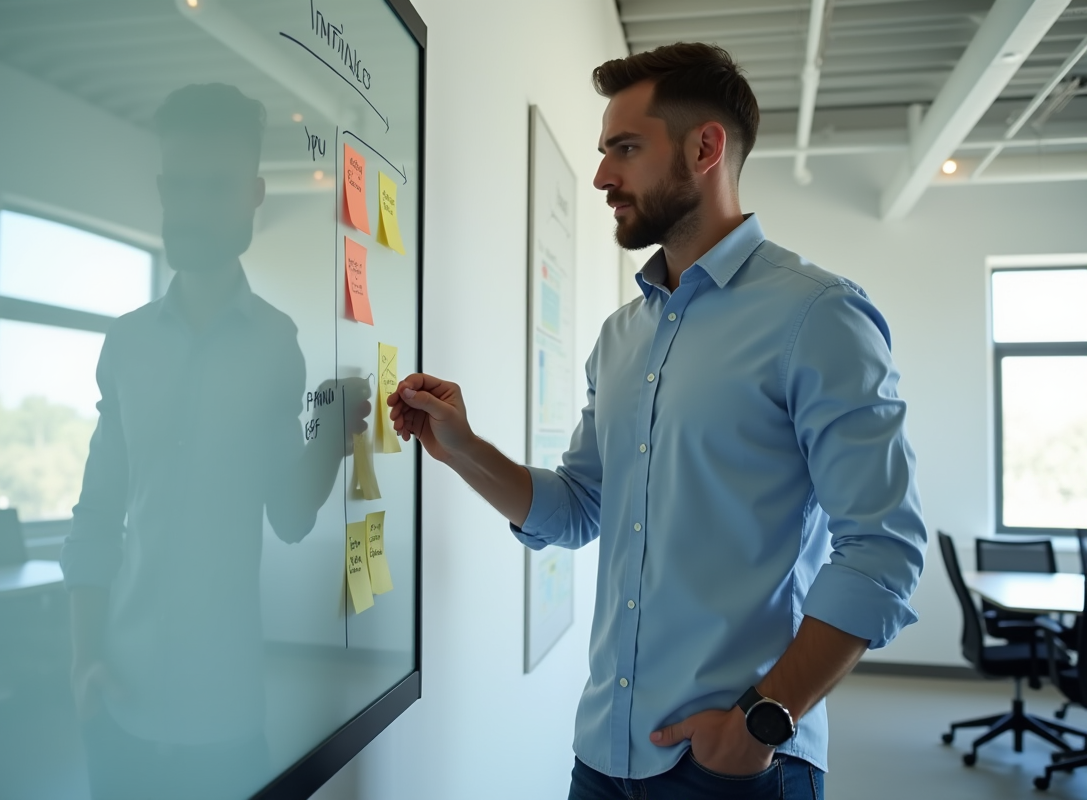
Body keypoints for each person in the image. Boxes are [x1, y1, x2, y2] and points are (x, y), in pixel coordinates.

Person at [388, 43, 926, 800]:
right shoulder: (621, 336)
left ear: (705, 147)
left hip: (737, 765)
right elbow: (579, 509)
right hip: (605, 751)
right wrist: (464, 450)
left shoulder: (819, 315)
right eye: (605, 151)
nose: (605, 175)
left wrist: (763, 720)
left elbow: (884, 547)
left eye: (626, 149)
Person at [61, 83, 370, 800]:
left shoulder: (275, 345)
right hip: (118, 702)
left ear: (254, 193)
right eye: (180, 186)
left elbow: (291, 516)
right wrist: (83, 664)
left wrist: (332, 427)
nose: (192, 207)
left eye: (215, 186)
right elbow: (95, 515)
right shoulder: (126, 343)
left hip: (226, 713)